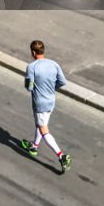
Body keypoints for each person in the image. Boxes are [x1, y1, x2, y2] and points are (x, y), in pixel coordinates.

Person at [20, 40, 71, 172]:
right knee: (40, 124)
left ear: (33, 52)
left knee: (44, 129)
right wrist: (51, 89)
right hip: (51, 101)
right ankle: (34, 147)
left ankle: (61, 156)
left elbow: (29, 86)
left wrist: (32, 86)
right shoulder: (54, 64)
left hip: (40, 103)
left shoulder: (32, 67)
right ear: (43, 51)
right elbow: (62, 81)